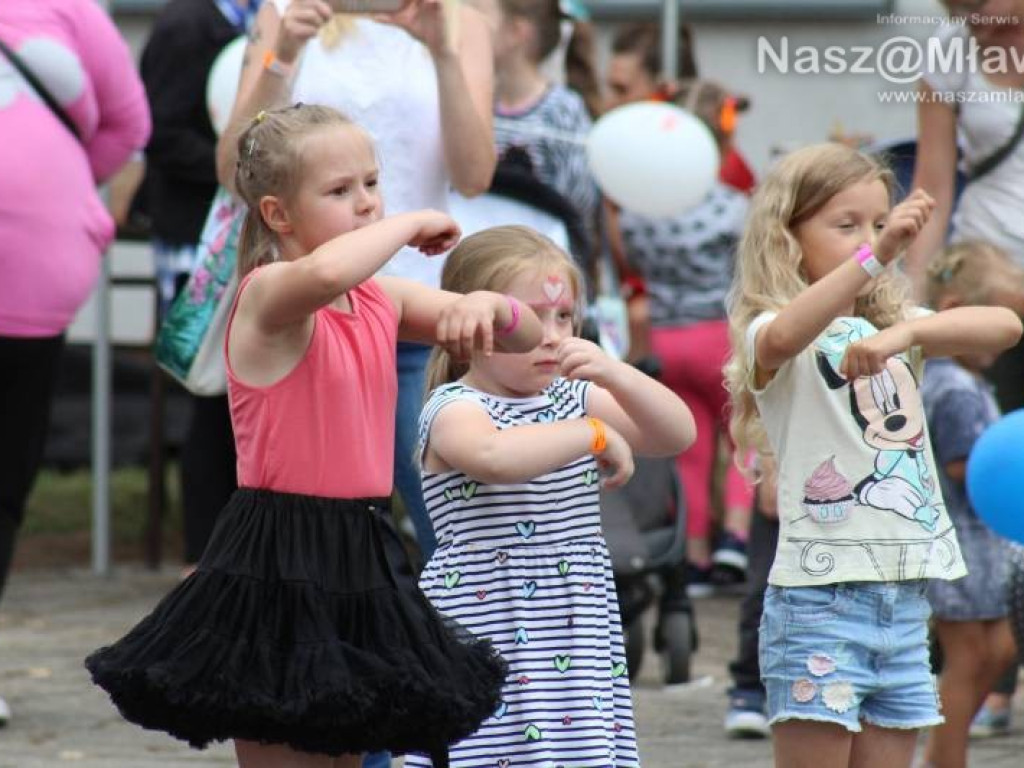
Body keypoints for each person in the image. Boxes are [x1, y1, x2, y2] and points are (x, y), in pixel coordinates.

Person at [86, 105, 541, 768]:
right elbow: (326, 275)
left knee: (345, 757)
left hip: (361, 547)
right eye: (339, 191)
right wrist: (409, 221)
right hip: (278, 554)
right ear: (278, 214)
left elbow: (523, 334)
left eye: (372, 183)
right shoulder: (268, 295)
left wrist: (489, 306)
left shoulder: (380, 298)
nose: (365, 204)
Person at [723, 142, 1022, 768]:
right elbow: (783, 335)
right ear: (786, 236)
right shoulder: (770, 329)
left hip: (905, 600)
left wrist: (910, 331)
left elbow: (1006, 326)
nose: (871, 237)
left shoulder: (893, 324)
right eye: (847, 225)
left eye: (880, 223)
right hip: (819, 603)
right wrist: (875, 255)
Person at [215, 0, 495, 566]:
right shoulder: (286, 10)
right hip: (312, 304)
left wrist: (442, 51)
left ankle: (457, 636)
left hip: (410, 289)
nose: (366, 199)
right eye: (351, 189)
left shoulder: (462, 18)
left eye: (372, 184)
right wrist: (284, 54)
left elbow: (474, 174)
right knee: (335, 494)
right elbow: (234, 169)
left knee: (449, 508)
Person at [408, 225, 696, 767]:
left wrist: (617, 373)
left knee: (577, 753)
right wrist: (592, 435)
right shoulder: (453, 406)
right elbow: (494, 457)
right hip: (487, 618)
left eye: (563, 316)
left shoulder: (576, 395)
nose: (551, 334)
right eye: (528, 319)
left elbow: (675, 434)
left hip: (574, 618)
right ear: (471, 329)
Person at [0, 0, 150, 727]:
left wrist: (57, 190)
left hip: (26, 286)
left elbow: (129, 123)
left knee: (1, 487)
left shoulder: (65, 5)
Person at [909, 2, 1024, 729]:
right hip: (992, 285)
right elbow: (934, 184)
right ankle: (999, 676)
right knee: (1001, 480)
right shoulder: (947, 56)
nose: (977, 16)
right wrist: (914, 315)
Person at [609, 79, 754, 595]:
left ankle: (692, 559)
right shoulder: (734, 208)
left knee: (688, 450)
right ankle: (735, 536)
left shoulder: (638, 213)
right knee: (746, 433)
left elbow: (633, 266)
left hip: (667, 342)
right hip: (722, 335)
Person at [140, 0, 259, 573]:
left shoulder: (273, 18)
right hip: (202, 241)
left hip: (252, 235)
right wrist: (247, 168)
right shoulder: (187, 22)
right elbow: (156, 132)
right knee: (213, 395)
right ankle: (202, 561)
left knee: (248, 401)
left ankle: (241, 553)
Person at [918, 241, 1023, 768]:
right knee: (967, 659)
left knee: (998, 649)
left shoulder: (966, 378)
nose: (1000, 347)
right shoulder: (954, 385)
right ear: (956, 313)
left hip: (984, 543)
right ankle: (945, 757)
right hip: (960, 543)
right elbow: (964, 465)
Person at [486, 0, 601, 258]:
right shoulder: (479, 103)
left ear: (517, 31)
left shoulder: (563, 109)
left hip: (542, 258)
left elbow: (577, 202)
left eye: (483, 16)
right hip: (484, 254)